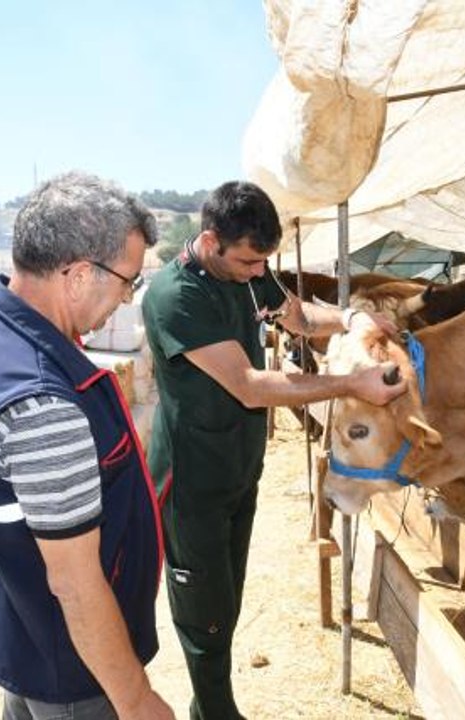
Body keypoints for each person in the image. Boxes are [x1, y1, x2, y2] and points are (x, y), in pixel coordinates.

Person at [141, 180, 406, 720]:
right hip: (192, 478)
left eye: (264, 261)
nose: (259, 272)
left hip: (238, 466)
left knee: (229, 594)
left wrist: (353, 317)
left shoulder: (248, 278)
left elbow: (301, 318)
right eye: (247, 260)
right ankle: (215, 711)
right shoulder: (176, 297)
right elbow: (250, 385)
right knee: (204, 611)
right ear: (211, 241)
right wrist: (352, 383)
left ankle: (210, 704)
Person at [0, 171, 174, 720]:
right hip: (73, 670)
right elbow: (76, 584)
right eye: (128, 281)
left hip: (17, 630)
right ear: (81, 274)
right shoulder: (42, 406)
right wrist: (134, 698)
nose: (128, 299)